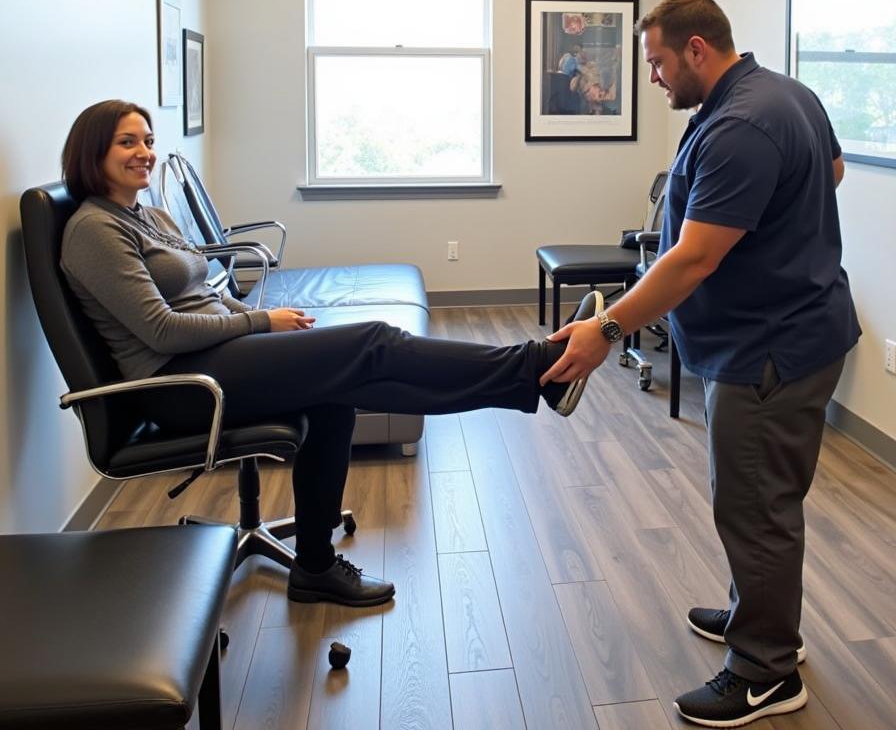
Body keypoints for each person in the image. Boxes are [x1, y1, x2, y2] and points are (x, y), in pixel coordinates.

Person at [59, 100, 597, 609]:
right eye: (126, 142)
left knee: (341, 387)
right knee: (372, 341)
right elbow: (161, 330)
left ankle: (314, 567)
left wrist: (253, 322)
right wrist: (261, 321)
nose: (144, 152)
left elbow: (207, 291)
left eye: (148, 140)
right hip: (185, 387)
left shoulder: (148, 216)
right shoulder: (94, 230)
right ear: (93, 153)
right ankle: (532, 368)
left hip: (222, 353)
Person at [542, 0, 860, 727]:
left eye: (656, 61)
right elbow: (832, 172)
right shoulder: (786, 94)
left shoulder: (744, 123)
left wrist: (608, 331)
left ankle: (766, 672)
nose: (652, 77)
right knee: (760, 501)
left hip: (772, 348)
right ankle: (762, 616)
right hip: (797, 329)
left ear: (695, 50)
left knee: (755, 506)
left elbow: (691, 260)